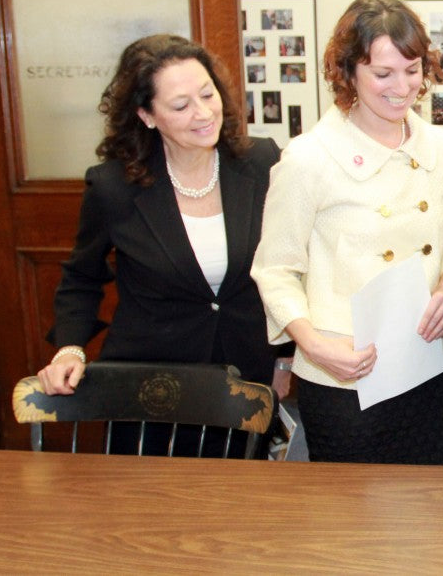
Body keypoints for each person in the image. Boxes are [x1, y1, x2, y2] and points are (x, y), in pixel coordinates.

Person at [36, 34, 290, 456]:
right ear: (146, 115)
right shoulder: (114, 187)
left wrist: (285, 357)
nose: (204, 112)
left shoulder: (262, 162)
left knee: (239, 511)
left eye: (207, 94)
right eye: (180, 105)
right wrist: (69, 347)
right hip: (151, 387)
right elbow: (81, 278)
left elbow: (291, 263)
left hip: (246, 384)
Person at [252, 0, 443, 465]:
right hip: (345, 373)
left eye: (412, 70)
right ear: (349, 72)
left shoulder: (438, 146)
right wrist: (313, 346)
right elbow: (275, 270)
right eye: (383, 73)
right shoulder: (309, 158)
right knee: (356, 515)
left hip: (428, 360)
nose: (403, 87)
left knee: (433, 499)